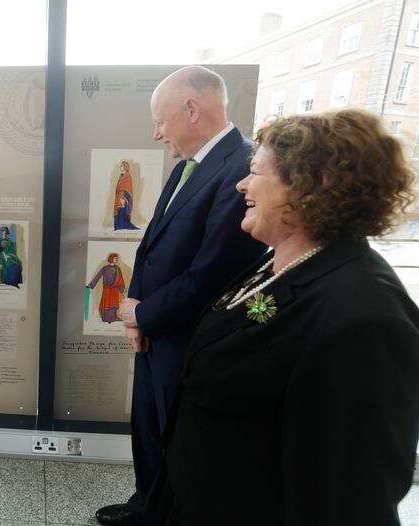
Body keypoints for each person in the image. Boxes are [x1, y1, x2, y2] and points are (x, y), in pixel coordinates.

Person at [147, 108, 419, 526]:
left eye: (256, 171)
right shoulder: (282, 263)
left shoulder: (365, 321)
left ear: (314, 185)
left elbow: (351, 499)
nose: (241, 184)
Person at [96, 66, 267, 525]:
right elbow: (150, 246)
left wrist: (146, 314)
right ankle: (145, 507)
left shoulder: (241, 168)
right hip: (157, 331)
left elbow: (212, 271)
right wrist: (135, 315)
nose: (156, 134)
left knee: (180, 442)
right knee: (149, 429)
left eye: (160, 120)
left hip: (189, 339)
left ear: (192, 109)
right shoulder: (187, 168)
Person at [87, 253, 126, 323]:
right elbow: (98, 276)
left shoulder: (118, 268)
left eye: (117, 258)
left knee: (114, 304)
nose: (116, 260)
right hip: (107, 289)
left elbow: (121, 280)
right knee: (107, 303)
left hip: (114, 290)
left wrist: (122, 288)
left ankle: (113, 317)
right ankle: (106, 318)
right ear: (111, 258)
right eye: (115, 258)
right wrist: (91, 285)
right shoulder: (105, 268)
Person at [114, 160, 140, 230]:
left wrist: (123, 198)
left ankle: (122, 224)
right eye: (121, 166)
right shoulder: (121, 176)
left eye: (122, 166)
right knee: (119, 210)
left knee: (123, 209)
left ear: (126, 167)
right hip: (119, 196)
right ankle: (118, 225)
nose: (121, 167)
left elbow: (128, 189)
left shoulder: (128, 176)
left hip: (124, 197)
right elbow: (119, 187)